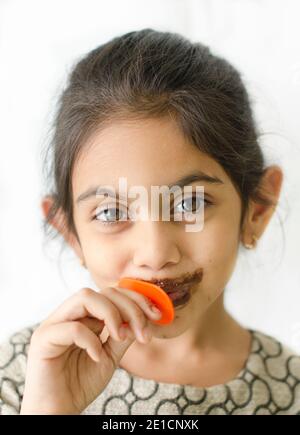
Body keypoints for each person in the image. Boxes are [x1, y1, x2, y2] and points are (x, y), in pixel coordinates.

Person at [1, 28, 299, 415]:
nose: (156, 253)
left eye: (191, 204)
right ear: (70, 233)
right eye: (111, 213)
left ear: (257, 208)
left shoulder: (290, 391)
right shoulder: (24, 378)